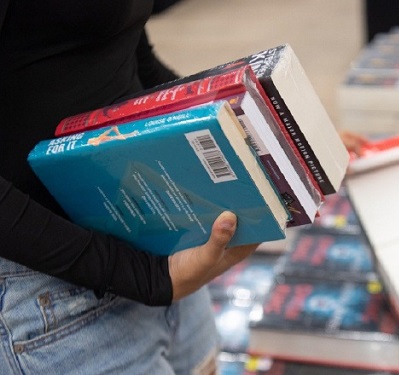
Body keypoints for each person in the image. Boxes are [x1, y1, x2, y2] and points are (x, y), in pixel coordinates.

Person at [0, 1, 367, 374]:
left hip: (150, 222)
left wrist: (277, 141)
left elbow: (125, 52)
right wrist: (142, 276)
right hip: (52, 274)